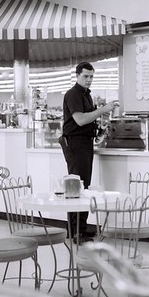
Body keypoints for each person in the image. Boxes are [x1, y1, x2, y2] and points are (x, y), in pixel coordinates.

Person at [59, 61, 119, 243]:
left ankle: (78, 229)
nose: (89, 80)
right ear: (77, 76)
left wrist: (99, 125)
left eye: (91, 76)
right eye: (85, 76)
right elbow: (79, 120)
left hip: (84, 143)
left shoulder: (86, 95)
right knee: (77, 187)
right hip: (75, 144)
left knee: (82, 186)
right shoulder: (73, 94)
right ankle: (77, 232)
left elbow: (87, 119)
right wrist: (102, 110)